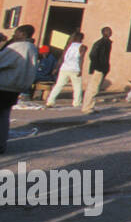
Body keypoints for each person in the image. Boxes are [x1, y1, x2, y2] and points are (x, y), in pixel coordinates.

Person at [0, 25, 39, 153]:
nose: (14, 35)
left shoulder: (17, 47)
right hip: (15, 87)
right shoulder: (32, 48)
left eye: (16, 32)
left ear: (22, 33)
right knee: (4, 116)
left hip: (4, 84)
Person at [44, 32, 85, 108]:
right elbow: (81, 59)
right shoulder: (82, 47)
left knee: (58, 85)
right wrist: (80, 69)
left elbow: (62, 58)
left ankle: (50, 101)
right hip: (75, 68)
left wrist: (56, 68)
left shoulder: (68, 46)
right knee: (77, 87)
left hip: (64, 68)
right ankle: (77, 103)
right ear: (81, 39)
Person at [81, 27, 112, 114]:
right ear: (104, 33)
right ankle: (86, 107)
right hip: (98, 68)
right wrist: (98, 66)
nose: (110, 32)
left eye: (110, 31)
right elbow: (92, 55)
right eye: (108, 31)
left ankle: (91, 106)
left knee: (96, 89)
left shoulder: (107, 43)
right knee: (92, 88)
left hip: (102, 69)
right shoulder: (100, 43)